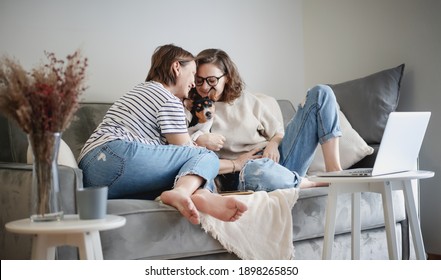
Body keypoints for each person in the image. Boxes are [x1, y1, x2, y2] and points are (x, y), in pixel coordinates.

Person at [78, 44, 248, 225]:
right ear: (176, 68)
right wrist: (235, 163)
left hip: (91, 175)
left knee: (178, 179)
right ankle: (191, 193)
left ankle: (194, 194)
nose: (193, 84)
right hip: (115, 154)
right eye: (192, 74)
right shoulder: (167, 98)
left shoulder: (140, 90)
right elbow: (186, 151)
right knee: (204, 155)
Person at [190, 48, 343, 191]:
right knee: (257, 171)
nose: (204, 87)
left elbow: (278, 132)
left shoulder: (246, 100)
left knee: (321, 92)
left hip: (279, 160)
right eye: (199, 80)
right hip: (247, 171)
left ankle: (334, 172)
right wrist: (200, 139)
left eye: (211, 80)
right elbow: (186, 149)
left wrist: (273, 145)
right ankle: (307, 183)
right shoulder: (192, 108)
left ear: (227, 78)